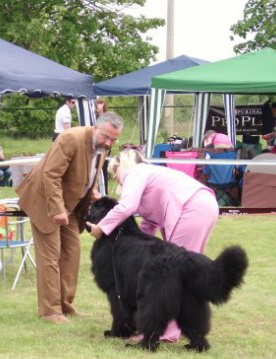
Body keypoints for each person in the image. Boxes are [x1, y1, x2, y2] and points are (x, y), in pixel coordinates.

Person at [86, 148, 219, 343]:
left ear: (119, 166)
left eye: (115, 174)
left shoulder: (136, 173)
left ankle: (164, 332)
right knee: (183, 273)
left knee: (171, 275)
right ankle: (189, 327)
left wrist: (101, 228)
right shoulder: (150, 176)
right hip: (203, 205)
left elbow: (126, 206)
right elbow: (149, 224)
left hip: (191, 208)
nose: (117, 179)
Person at [17, 111, 124, 325]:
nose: (109, 142)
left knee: (72, 252)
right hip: (45, 202)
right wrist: (57, 209)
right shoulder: (70, 138)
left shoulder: (101, 147)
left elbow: (89, 174)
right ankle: (50, 311)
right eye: (106, 137)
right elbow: (51, 174)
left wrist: (92, 191)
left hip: (70, 206)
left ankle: (65, 305)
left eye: (114, 139)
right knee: (51, 255)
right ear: (96, 128)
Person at [94, 98, 110, 194]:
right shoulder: (93, 117)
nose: (99, 106)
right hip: (95, 146)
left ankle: (105, 193)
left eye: (100, 103)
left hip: (104, 146)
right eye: (97, 104)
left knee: (102, 169)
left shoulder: (107, 118)